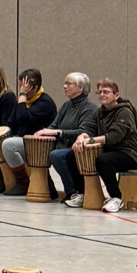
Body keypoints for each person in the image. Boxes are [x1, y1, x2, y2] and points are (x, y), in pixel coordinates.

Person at [64, 78, 137, 213]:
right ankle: (82, 193)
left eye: (106, 92)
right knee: (72, 155)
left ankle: (116, 198)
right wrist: (81, 137)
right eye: (99, 92)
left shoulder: (124, 112)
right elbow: (89, 129)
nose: (102, 95)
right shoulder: (99, 112)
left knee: (103, 160)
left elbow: (113, 137)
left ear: (116, 95)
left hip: (128, 154)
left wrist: (89, 141)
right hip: (108, 151)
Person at [34, 72, 97, 201]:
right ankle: (49, 189)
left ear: (80, 88)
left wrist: (58, 132)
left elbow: (83, 132)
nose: (64, 86)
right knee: (33, 150)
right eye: (65, 83)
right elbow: (54, 125)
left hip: (78, 148)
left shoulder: (89, 108)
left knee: (56, 155)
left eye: (69, 83)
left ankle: (72, 191)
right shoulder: (66, 106)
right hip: (62, 145)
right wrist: (42, 133)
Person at [0, 68, 57, 196]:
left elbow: (23, 118)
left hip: (40, 144)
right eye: (20, 88)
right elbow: (12, 121)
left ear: (34, 87)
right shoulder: (23, 102)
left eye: (24, 88)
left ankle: (22, 182)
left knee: (9, 145)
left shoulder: (44, 102)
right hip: (24, 140)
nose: (21, 91)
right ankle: (3, 179)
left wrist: (22, 96)